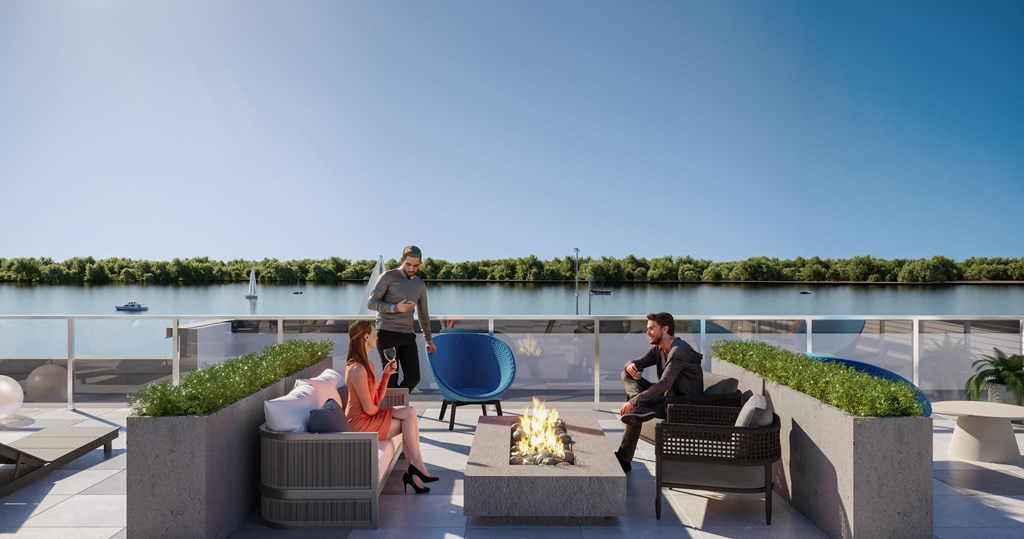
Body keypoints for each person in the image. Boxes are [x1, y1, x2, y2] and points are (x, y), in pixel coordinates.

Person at [344, 320, 439, 494]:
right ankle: (417, 470)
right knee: (407, 418)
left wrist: (386, 375)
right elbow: (370, 409)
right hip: (359, 424)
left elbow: (376, 400)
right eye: (374, 333)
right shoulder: (357, 369)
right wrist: (388, 412)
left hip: (369, 418)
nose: (377, 336)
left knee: (409, 414)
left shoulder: (367, 365)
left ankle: (416, 471)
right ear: (366, 336)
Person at [614, 312, 703, 472]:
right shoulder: (659, 350)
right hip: (667, 397)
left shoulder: (679, 351)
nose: (647, 332)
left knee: (636, 407)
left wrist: (633, 402)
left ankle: (623, 459)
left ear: (665, 328)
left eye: (651, 329)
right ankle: (638, 404)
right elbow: (636, 363)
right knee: (626, 374)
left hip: (683, 405)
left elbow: (664, 383)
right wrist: (630, 365)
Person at [367, 245, 436, 390]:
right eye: (408, 264)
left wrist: (428, 340)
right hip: (386, 333)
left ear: (420, 264)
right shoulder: (388, 277)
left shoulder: (419, 284)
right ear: (401, 260)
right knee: (391, 378)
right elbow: (371, 303)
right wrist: (395, 308)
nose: (411, 269)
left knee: (413, 378)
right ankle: (392, 410)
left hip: (407, 335)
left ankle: (395, 405)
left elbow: (423, 314)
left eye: (416, 266)